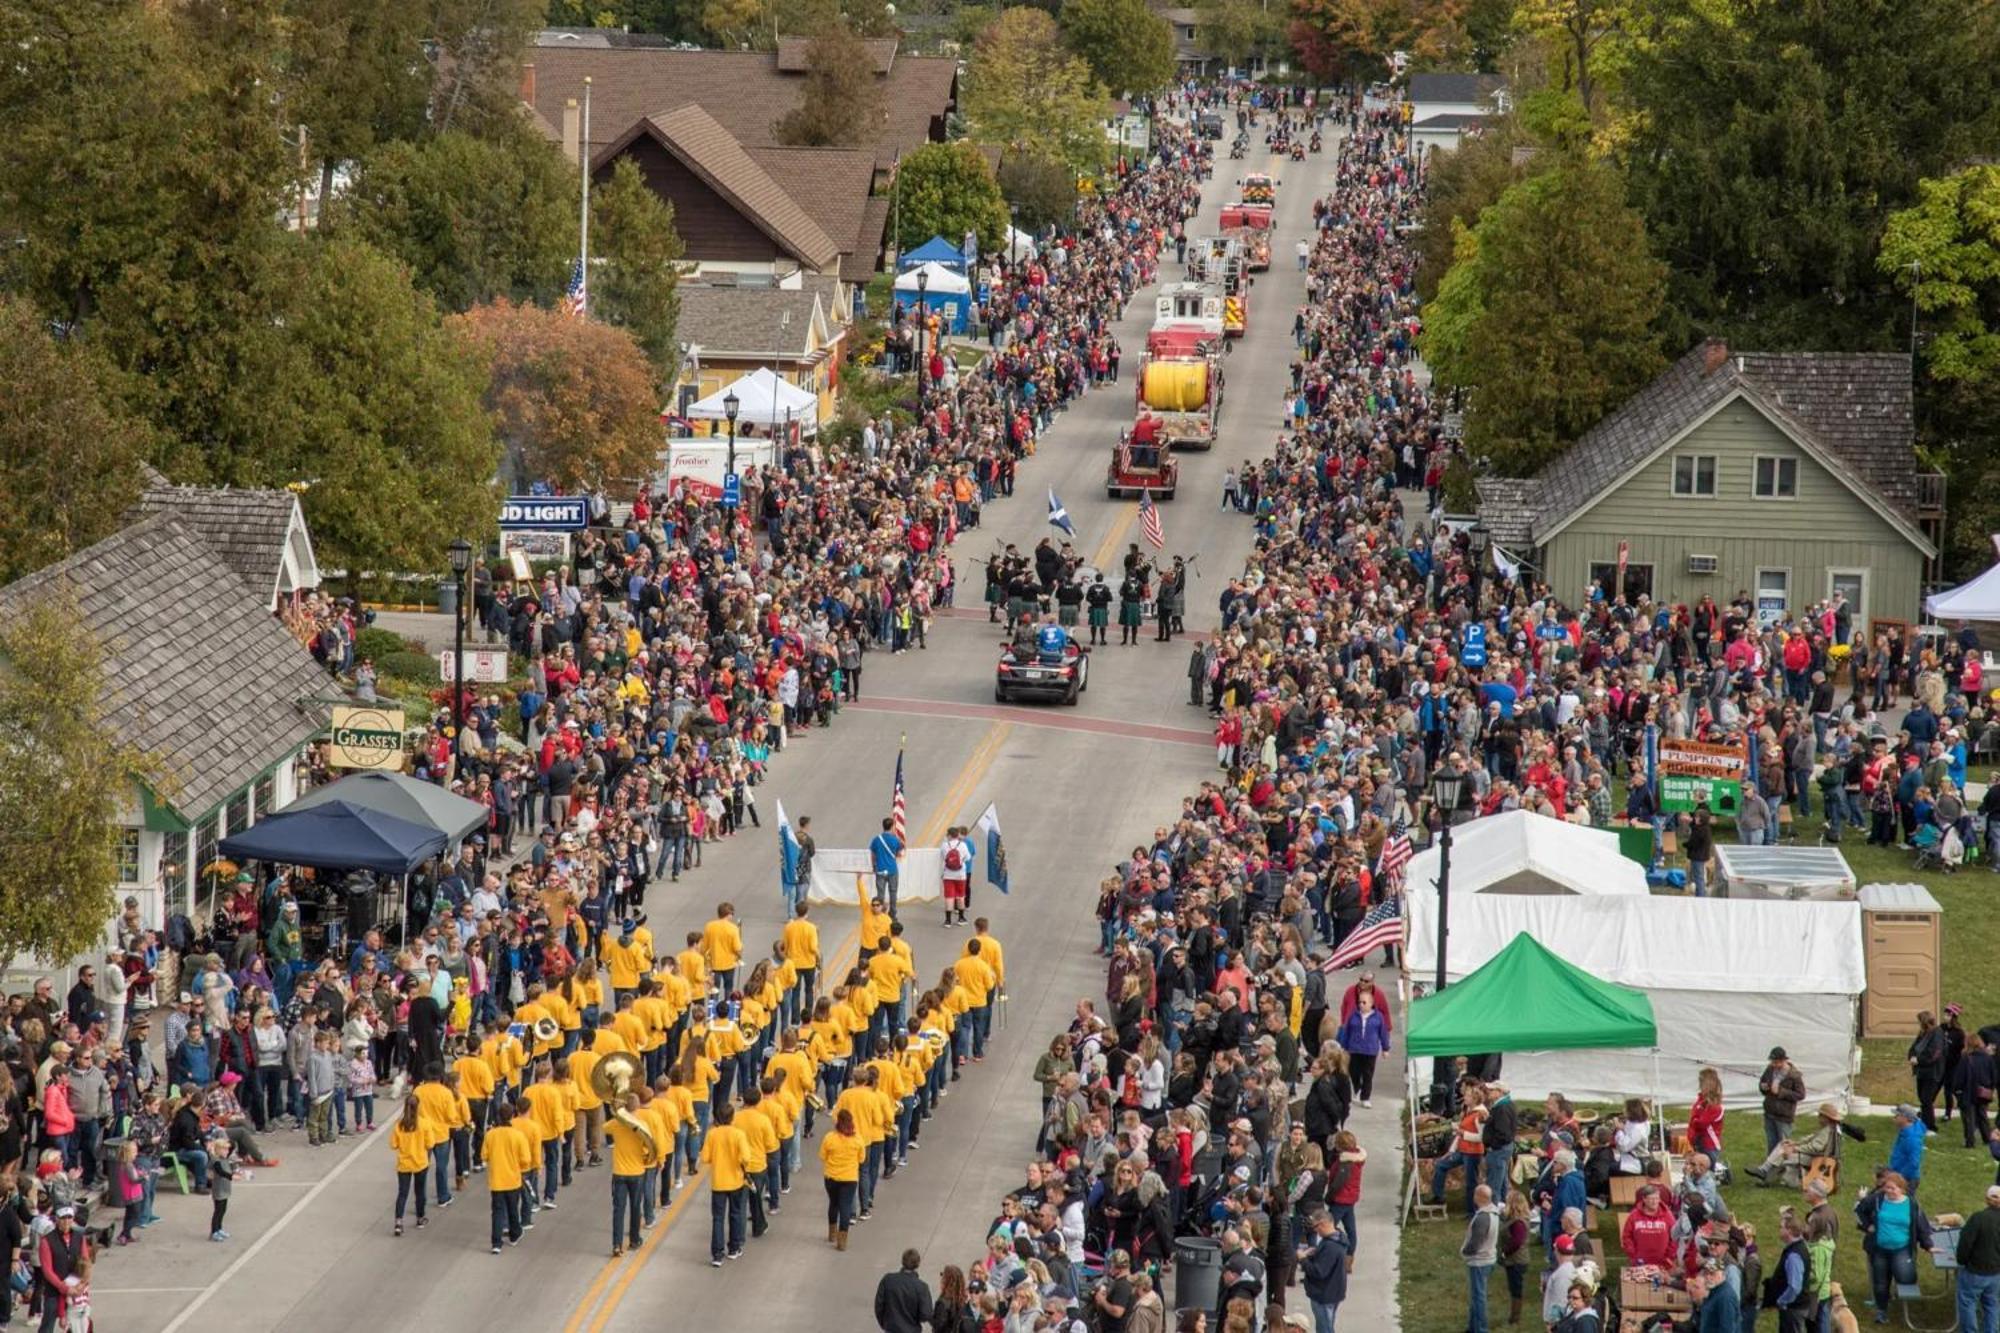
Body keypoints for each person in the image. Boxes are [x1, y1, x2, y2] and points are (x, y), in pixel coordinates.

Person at [1857, 1171, 1931, 1323]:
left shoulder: (1911, 1204)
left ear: (1902, 1189)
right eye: (1887, 1188)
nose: (1889, 1191)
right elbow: (1860, 1210)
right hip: (1880, 1249)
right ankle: (1881, 1312)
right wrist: (1867, 1226)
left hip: (1901, 1249)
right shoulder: (1877, 1199)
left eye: (1893, 1188)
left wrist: (1928, 1245)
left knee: (1906, 1278)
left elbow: (1921, 1226)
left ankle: (1901, 1300)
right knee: (1880, 1283)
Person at [1955, 1184, 2000, 1333]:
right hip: (1996, 1273)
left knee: (1968, 1303)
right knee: (1991, 1304)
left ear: (1987, 1199)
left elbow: (1965, 1244)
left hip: (1975, 1271)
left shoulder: (1978, 1218)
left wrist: (1962, 1261)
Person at [1297, 1207, 1349, 1333]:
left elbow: (1319, 1272)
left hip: (1324, 1294)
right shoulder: (1337, 1239)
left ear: (1323, 1224)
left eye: (1315, 1227)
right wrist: (1316, 1253)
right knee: (1327, 1325)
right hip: (1333, 1291)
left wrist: (1303, 1259)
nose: (1315, 1231)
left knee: (1324, 1328)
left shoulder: (1330, 1247)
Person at [820, 1108, 864, 1249]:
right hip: (849, 1178)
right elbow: (862, 1158)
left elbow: (822, 1156)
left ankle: (832, 1233)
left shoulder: (829, 1138)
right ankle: (842, 1241)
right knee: (845, 1206)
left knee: (833, 1204)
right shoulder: (857, 1140)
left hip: (831, 1177)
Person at [1461, 1183, 1500, 1333]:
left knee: (1479, 1298)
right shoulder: (1493, 1213)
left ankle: (1481, 1329)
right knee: (1476, 1296)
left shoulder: (1483, 1217)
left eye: (1475, 1195)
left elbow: (1475, 1242)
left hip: (1479, 1261)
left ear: (1479, 1197)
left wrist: (1465, 1251)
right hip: (1487, 1258)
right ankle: (1473, 1327)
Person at [391, 1094, 429, 1237]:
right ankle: (420, 1217)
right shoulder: (424, 1124)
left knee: (402, 1193)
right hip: (420, 1162)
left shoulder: (399, 1125)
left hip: (404, 1164)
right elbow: (430, 1143)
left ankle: (399, 1222)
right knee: (420, 1192)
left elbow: (393, 1144)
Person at [875, 1247, 932, 1333]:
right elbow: (926, 1314)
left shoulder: (888, 1280)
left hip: (891, 1328)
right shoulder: (922, 1287)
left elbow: (879, 1305)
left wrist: (884, 1324)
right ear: (917, 1264)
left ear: (902, 1261)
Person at [1760, 1049, 1806, 1153]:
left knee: (1784, 1145)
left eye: (1776, 1062)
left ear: (1783, 1060)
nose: (1774, 1064)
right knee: (1771, 1143)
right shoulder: (1769, 1069)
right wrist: (1763, 1087)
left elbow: (1801, 1095)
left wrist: (1781, 1092)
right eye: (1772, 1061)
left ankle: (1784, 1166)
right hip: (1769, 1113)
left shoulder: (1794, 1075)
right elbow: (1762, 1082)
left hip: (1784, 1116)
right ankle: (1770, 1167)